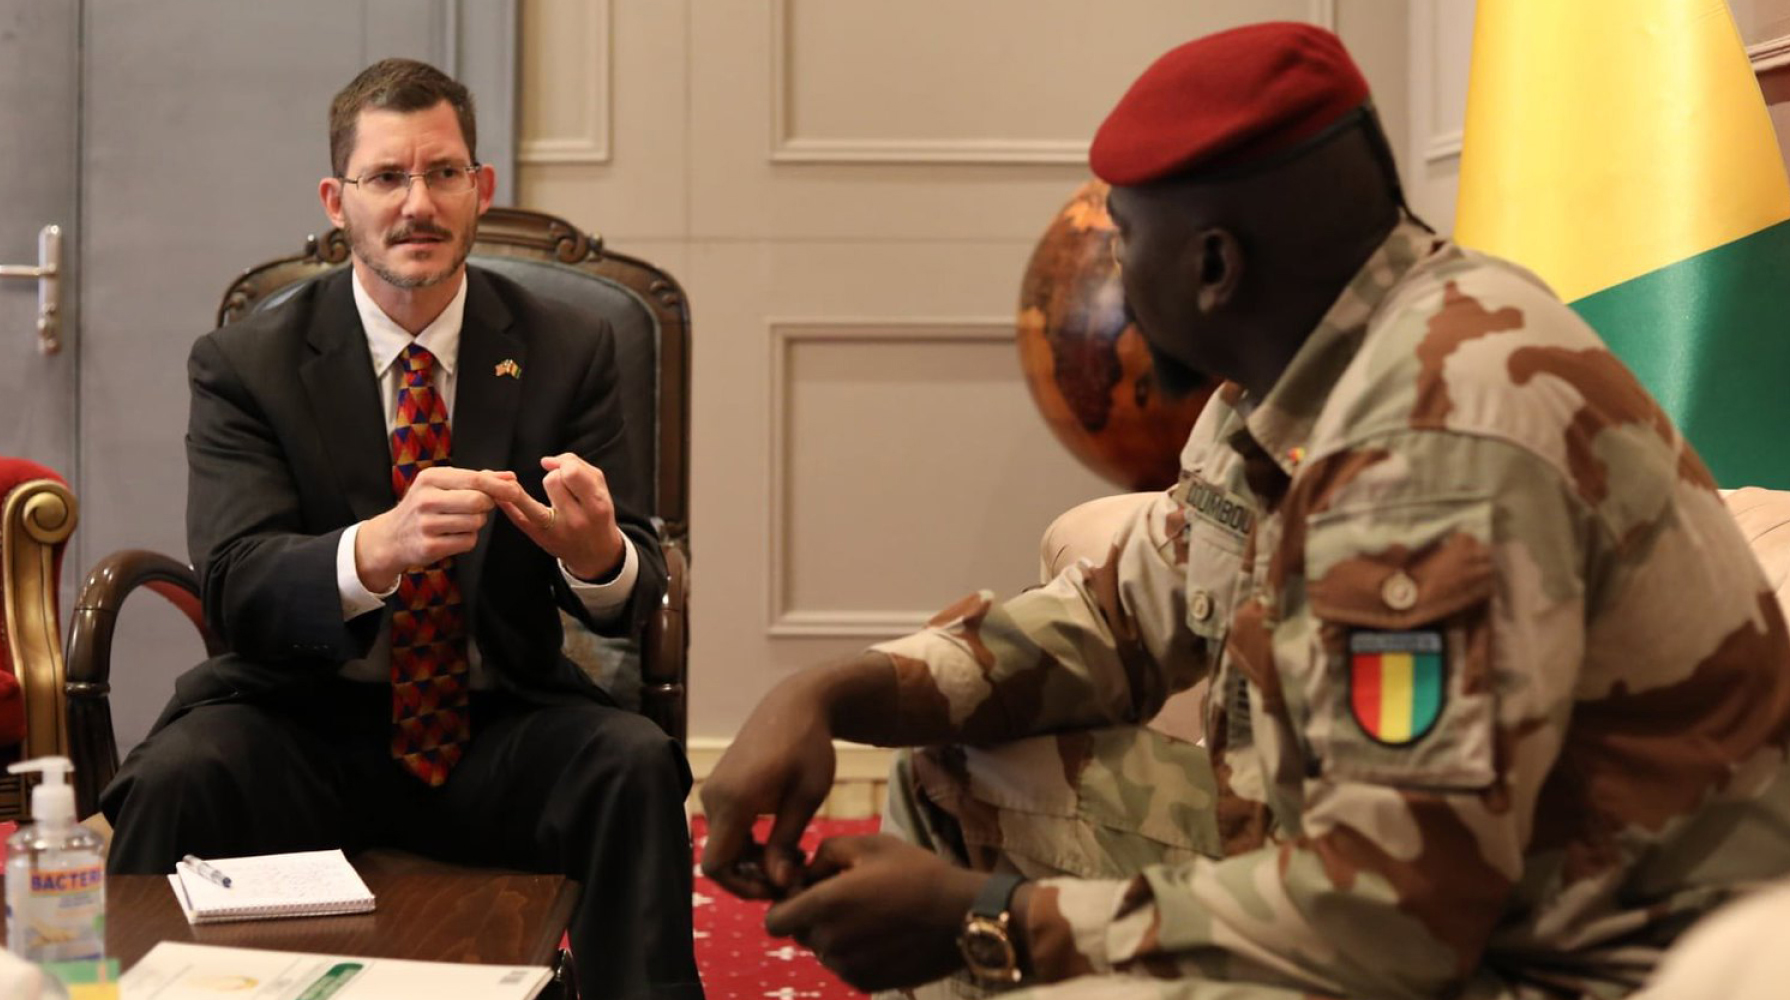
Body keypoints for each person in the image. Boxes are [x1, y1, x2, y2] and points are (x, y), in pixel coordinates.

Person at [699, 22, 1790, 1000]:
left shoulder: (1434, 446)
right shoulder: (1296, 372)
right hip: (1419, 880)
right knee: (953, 779)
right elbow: (1116, 621)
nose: (1116, 269)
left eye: (1124, 238)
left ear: (1213, 264)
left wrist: (986, 921)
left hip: (1579, 958)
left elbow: (1393, 918)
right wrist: (832, 690)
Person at [101, 58, 703, 1000]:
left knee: (629, 766)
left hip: (495, 719)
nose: (417, 204)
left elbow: (626, 574)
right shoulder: (246, 362)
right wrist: (375, 550)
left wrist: (596, 560)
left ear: (481, 190)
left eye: (443, 174)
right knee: (176, 777)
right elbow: (234, 578)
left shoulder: (565, 347)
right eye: (388, 178)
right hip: (303, 720)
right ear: (338, 200)